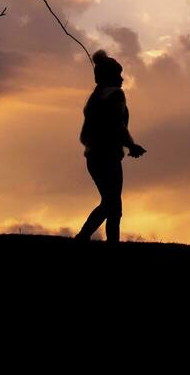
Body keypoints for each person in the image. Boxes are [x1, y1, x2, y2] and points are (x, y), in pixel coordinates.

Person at [75, 50, 146, 242]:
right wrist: (131, 145)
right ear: (110, 76)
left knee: (112, 203)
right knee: (112, 203)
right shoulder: (116, 95)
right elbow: (117, 125)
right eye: (118, 75)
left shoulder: (94, 99)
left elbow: (85, 135)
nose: (122, 79)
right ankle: (84, 236)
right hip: (108, 156)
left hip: (92, 156)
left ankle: (106, 241)